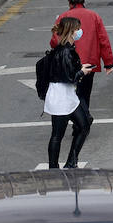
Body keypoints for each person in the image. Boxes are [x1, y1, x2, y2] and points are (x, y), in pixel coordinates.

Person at [50, 0, 113, 108]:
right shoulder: (94, 16)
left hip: (69, 63)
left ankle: (77, 116)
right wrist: (108, 63)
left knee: (71, 94)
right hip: (89, 63)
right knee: (85, 93)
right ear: (84, 0)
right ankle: (84, 115)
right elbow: (103, 40)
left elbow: (54, 42)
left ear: (69, 1)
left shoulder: (63, 17)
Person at [45, 16, 94, 169]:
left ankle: (71, 162)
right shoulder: (65, 51)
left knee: (84, 125)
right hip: (61, 96)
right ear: (72, 31)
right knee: (57, 135)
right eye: (78, 29)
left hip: (68, 96)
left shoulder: (66, 48)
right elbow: (69, 77)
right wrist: (82, 72)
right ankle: (54, 167)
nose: (80, 31)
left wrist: (80, 68)